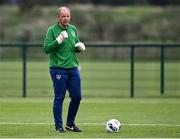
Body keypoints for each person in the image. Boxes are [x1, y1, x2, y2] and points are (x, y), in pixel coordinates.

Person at [43, 6, 86, 133]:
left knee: (77, 97)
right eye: (63, 16)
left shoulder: (73, 29)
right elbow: (46, 49)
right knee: (59, 97)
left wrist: (79, 47)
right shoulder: (52, 30)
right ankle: (58, 126)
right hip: (58, 69)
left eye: (67, 16)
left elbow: (74, 46)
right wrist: (58, 40)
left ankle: (70, 124)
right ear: (58, 17)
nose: (65, 19)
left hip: (73, 69)